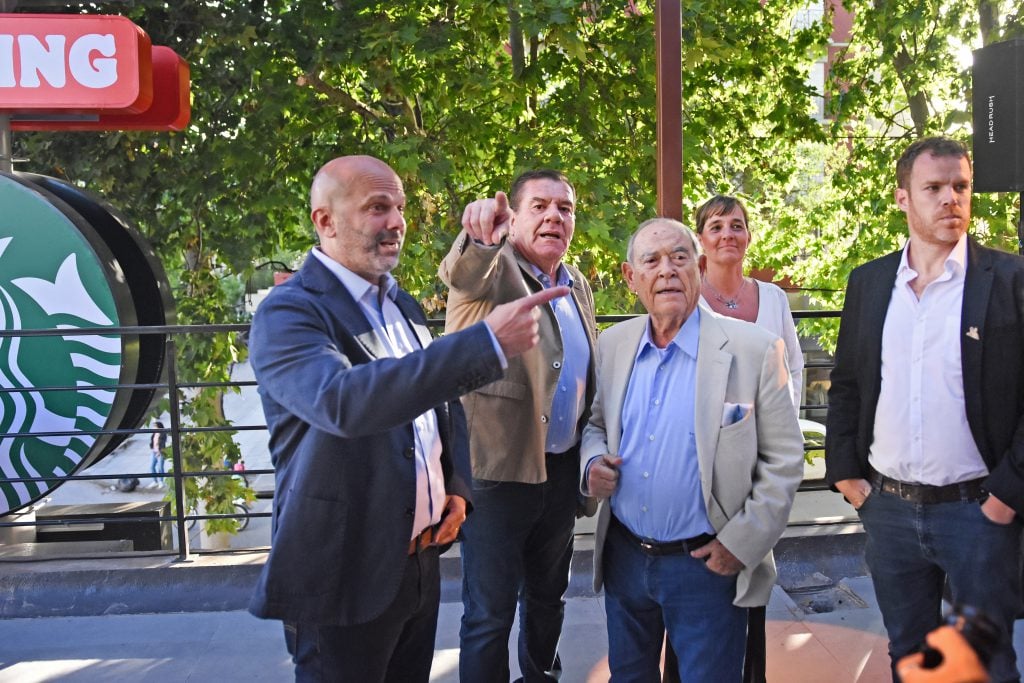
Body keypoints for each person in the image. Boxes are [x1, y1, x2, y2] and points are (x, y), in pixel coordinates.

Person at [247, 154, 570, 682]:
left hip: (417, 564)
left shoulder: (401, 305)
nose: (396, 221)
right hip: (345, 569)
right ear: (324, 221)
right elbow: (343, 402)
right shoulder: (290, 311)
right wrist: (484, 342)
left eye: (398, 207)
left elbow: (444, 404)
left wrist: (458, 487)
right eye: (377, 207)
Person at [825, 136, 1024, 682]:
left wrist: (1006, 497)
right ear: (902, 198)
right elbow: (846, 385)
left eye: (961, 187)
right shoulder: (869, 283)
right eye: (933, 188)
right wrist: (846, 474)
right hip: (887, 510)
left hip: (978, 513)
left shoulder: (1011, 281)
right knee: (909, 659)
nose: (951, 199)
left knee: (984, 664)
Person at [581, 218, 803, 682]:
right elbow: (597, 425)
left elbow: (784, 463)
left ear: (698, 268)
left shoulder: (755, 349)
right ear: (629, 277)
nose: (667, 271)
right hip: (626, 559)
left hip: (707, 566)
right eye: (652, 260)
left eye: (680, 258)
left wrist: (739, 546)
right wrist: (592, 463)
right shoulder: (614, 344)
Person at [438, 169, 598, 682]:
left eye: (565, 208)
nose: (555, 216)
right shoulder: (493, 268)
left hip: (560, 470)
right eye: (540, 206)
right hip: (497, 474)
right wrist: (480, 236)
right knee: (489, 615)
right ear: (514, 217)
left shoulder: (577, 285)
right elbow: (462, 272)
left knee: (549, 600)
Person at [691, 193, 805, 683]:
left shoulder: (774, 299)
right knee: (696, 575)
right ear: (701, 239)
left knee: (753, 568)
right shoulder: (686, 295)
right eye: (716, 227)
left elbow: (793, 367)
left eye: (736, 225)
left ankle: (749, 673)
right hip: (703, 462)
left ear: (749, 236)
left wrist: (776, 436)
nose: (727, 235)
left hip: (758, 460)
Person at [148, 420, 167, 489]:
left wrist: (160, 451)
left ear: (159, 427)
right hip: (154, 451)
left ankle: (161, 482)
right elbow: (152, 441)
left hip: (160, 452)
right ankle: (155, 481)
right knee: (151, 467)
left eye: (155, 426)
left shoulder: (163, 434)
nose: (154, 427)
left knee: (160, 467)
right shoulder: (154, 433)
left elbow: (162, 443)